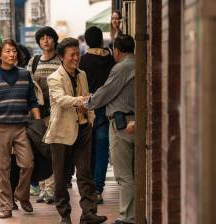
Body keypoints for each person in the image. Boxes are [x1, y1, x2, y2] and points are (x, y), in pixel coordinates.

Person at [44, 37, 107, 224]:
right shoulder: (54, 77)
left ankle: (89, 213)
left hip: (83, 129)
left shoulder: (82, 75)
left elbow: (89, 100)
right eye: (72, 55)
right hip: (62, 133)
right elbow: (61, 100)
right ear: (62, 57)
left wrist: (91, 119)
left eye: (77, 54)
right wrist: (82, 100)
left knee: (85, 172)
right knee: (62, 176)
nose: (76, 58)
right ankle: (64, 215)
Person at [0, 39, 40, 219]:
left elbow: (32, 100)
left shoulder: (25, 75)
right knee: (3, 168)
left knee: (28, 163)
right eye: (8, 51)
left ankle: (22, 195)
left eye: (14, 51)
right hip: (0, 127)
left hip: (21, 127)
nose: (12, 54)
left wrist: (38, 123)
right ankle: (5, 206)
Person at [85, 34, 136, 224]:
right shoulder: (139, 62)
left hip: (122, 124)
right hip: (134, 121)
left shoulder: (122, 67)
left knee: (124, 175)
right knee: (132, 172)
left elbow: (106, 91)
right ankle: (132, 213)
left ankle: (127, 217)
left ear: (117, 51)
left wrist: (88, 102)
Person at [79, 26, 115, 204]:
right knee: (102, 150)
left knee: (88, 150)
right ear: (101, 39)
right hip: (107, 107)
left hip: (88, 108)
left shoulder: (83, 61)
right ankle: (98, 189)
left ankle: (90, 188)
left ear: (86, 40)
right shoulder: (110, 59)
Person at [27, 26, 61, 204]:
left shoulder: (60, 60)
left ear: (55, 40)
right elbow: (29, 86)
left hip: (57, 112)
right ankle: (42, 189)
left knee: (52, 150)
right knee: (39, 150)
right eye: (42, 38)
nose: (46, 40)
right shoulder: (34, 61)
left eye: (49, 37)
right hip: (39, 113)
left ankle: (51, 189)